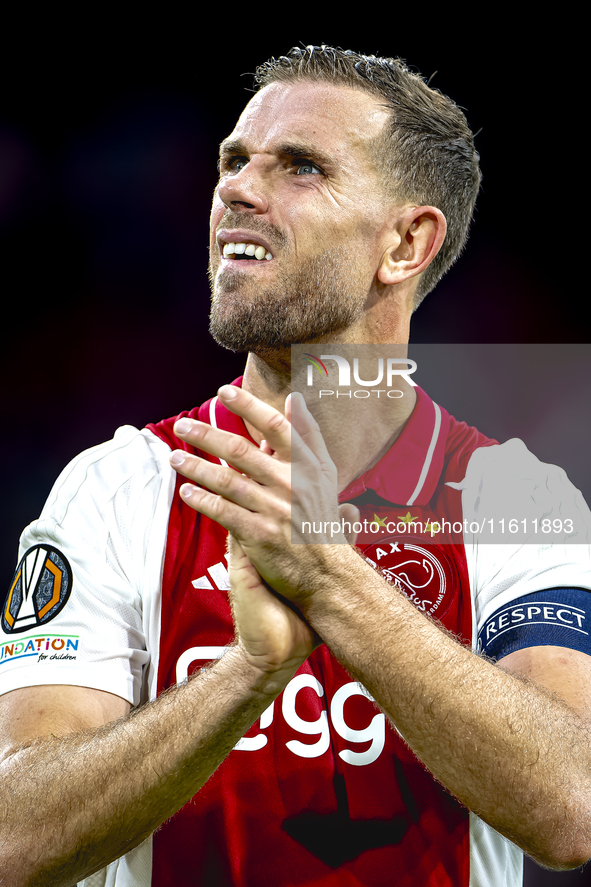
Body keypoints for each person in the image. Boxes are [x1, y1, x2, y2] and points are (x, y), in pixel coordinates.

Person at [1, 44, 590, 887]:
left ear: (405, 243)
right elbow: (15, 838)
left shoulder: (515, 496)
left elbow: (572, 806)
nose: (237, 190)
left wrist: (331, 585)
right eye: (233, 162)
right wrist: (246, 674)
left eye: (300, 168)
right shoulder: (118, 485)